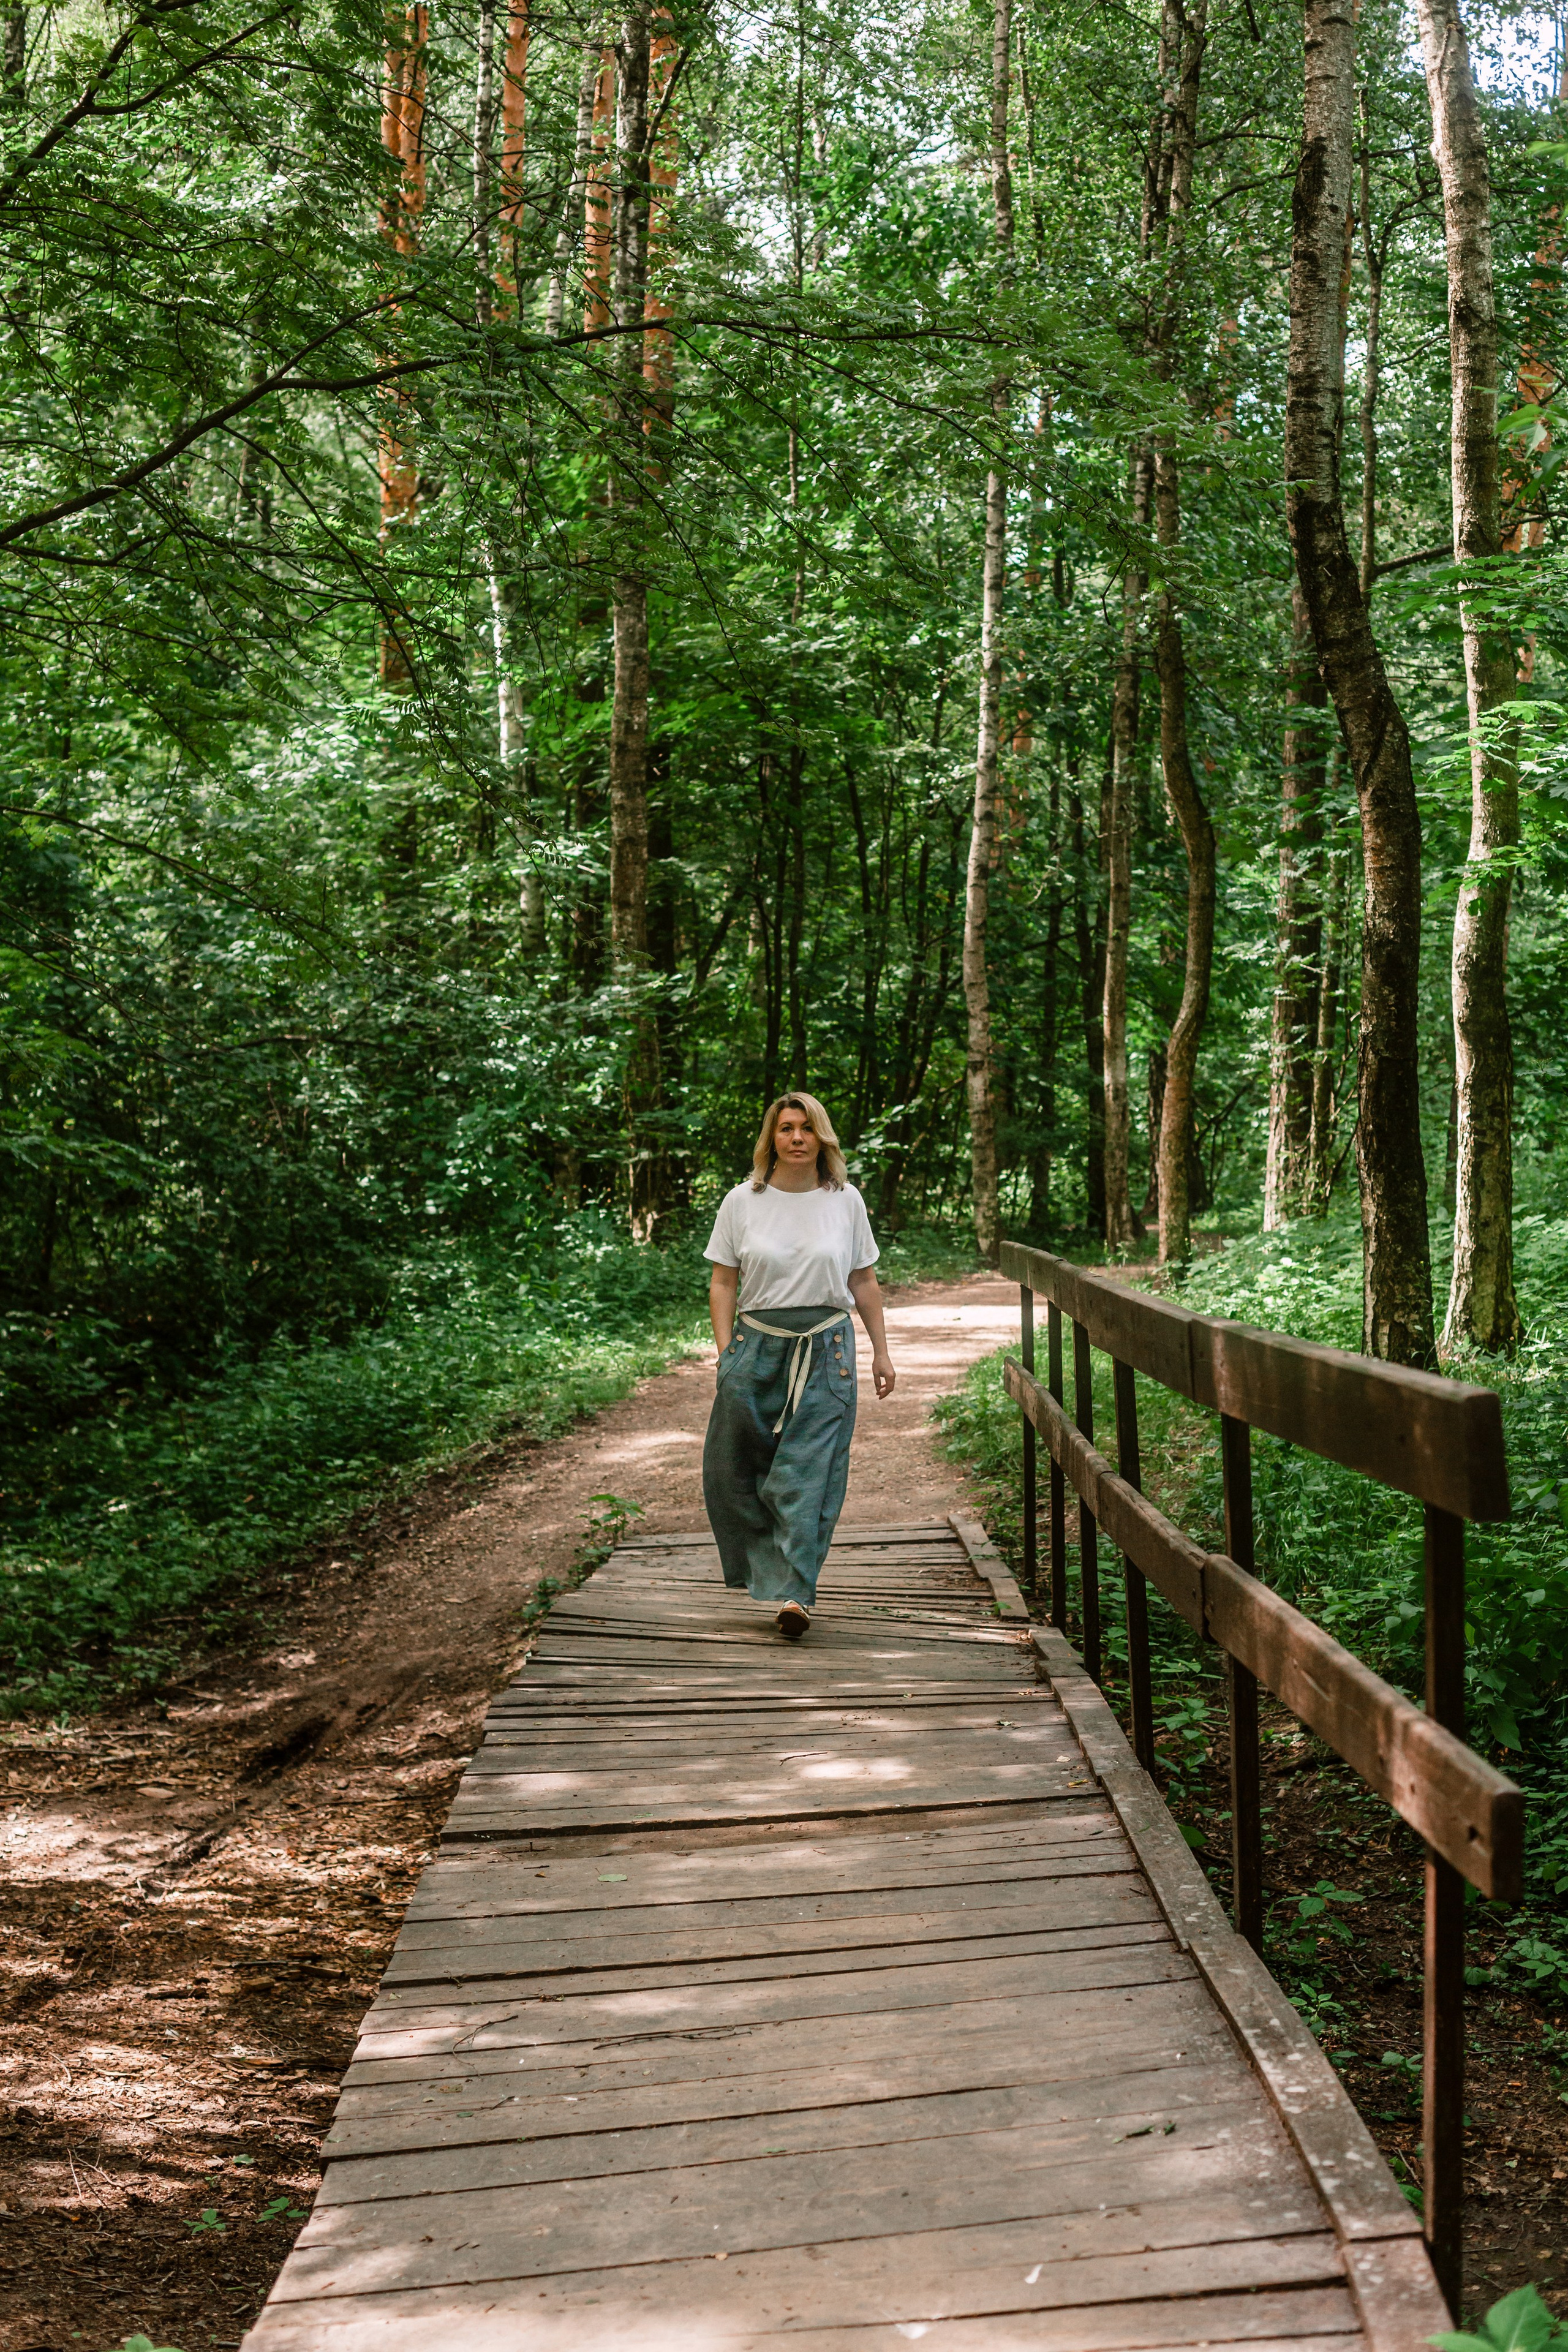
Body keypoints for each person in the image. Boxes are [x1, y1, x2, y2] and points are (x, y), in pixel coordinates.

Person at [702, 1091, 895, 1640]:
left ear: (822, 1138)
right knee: (732, 1469)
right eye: (786, 1128)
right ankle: (766, 1570)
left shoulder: (846, 1201)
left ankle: (796, 1592)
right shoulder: (742, 1201)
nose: (796, 1138)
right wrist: (725, 1356)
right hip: (754, 1347)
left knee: (810, 1473)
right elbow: (723, 1283)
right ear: (772, 1137)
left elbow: (864, 1281)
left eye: (807, 1129)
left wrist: (882, 1351)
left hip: (827, 1350)